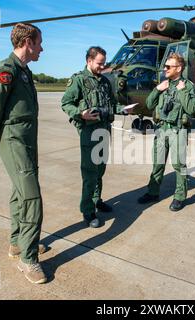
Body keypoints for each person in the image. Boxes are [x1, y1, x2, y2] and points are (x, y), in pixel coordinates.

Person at [0, 23, 47, 283]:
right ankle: (28, 260)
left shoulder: (24, 71)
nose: (42, 48)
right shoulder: (6, 71)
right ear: (28, 42)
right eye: (39, 42)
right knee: (32, 198)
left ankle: (17, 242)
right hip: (14, 140)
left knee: (20, 193)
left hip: (27, 140)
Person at [61, 46, 126, 228]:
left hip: (104, 131)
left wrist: (123, 110)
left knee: (100, 170)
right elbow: (66, 103)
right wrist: (80, 114)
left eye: (104, 63)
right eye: (99, 63)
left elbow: (111, 105)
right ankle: (87, 211)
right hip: (89, 133)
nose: (102, 66)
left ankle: (96, 200)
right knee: (90, 173)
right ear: (89, 61)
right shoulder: (79, 80)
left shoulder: (104, 81)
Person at [137, 53, 195, 211]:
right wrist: (157, 89)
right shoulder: (163, 84)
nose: (164, 69)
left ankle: (179, 196)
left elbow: (193, 109)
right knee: (157, 163)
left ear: (178, 68)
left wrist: (183, 91)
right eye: (165, 66)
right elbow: (150, 105)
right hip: (161, 129)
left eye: (168, 66)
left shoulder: (188, 86)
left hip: (178, 130)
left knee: (179, 165)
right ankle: (153, 192)